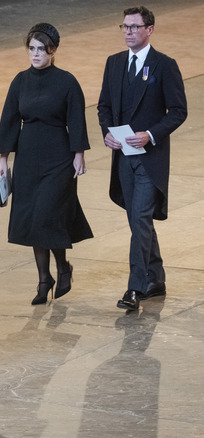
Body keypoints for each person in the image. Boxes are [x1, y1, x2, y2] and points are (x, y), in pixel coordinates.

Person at [0, 23, 93, 306]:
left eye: (41, 49)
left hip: (59, 157)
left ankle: (62, 267)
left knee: (49, 215)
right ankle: (44, 278)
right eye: (31, 49)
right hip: (28, 157)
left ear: (53, 50)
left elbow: (76, 118)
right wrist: (4, 159)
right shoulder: (20, 81)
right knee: (33, 218)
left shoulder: (66, 81)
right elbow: (9, 120)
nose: (36, 54)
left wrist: (79, 153)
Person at [97, 6, 187, 311]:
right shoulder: (114, 63)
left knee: (140, 218)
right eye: (124, 27)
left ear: (150, 29)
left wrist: (150, 134)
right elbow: (104, 106)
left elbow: (178, 111)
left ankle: (136, 288)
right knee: (139, 221)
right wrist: (107, 133)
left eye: (134, 27)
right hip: (124, 157)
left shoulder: (164, 65)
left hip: (150, 158)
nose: (128, 32)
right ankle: (155, 276)